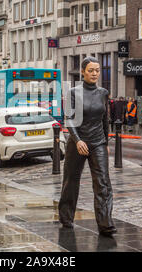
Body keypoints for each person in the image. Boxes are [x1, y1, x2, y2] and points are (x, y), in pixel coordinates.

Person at [59, 57, 116, 236]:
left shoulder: (103, 92)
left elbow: (104, 120)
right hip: (78, 143)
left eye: (97, 70)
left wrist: (105, 142)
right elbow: (69, 120)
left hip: (97, 141)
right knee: (71, 181)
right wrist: (77, 141)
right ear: (83, 72)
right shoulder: (74, 93)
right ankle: (66, 217)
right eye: (91, 70)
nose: (94, 73)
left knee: (103, 182)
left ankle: (105, 223)